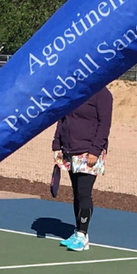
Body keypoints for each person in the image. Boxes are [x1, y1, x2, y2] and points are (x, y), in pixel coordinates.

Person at [52, 87, 112, 251]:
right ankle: (78, 231)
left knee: (84, 193)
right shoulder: (74, 91)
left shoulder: (102, 94)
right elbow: (62, 119)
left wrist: (95, 150)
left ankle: (83, 236)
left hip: (89, 152)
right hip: (70, 150)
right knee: (77, 193)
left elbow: (104, 124)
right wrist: (57, 144)